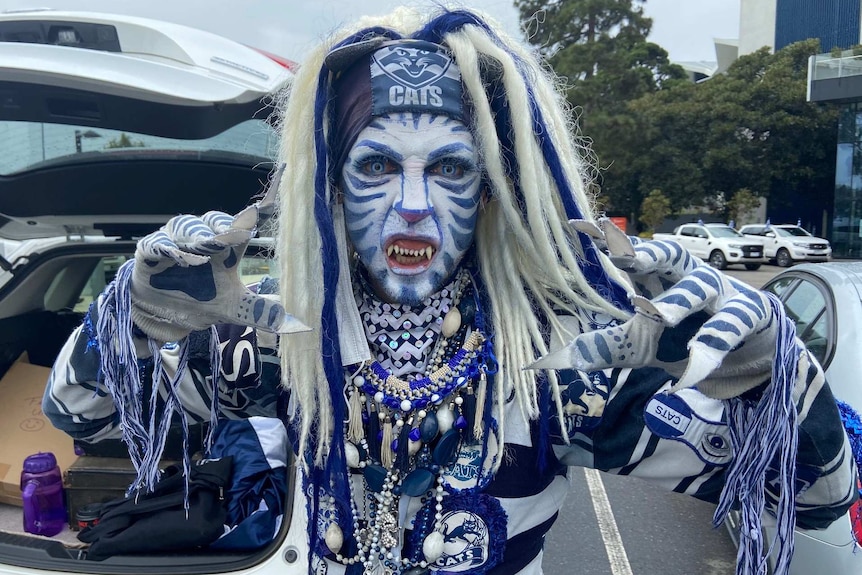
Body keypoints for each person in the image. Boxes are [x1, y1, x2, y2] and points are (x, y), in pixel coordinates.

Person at [44, 5, 857, 575]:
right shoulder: (280, 342)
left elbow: (820, 496)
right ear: (329, 189)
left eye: (450, 169)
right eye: (375, 167)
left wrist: (778, 370)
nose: (412, 205)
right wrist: (133, 313)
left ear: (492, 190)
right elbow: (78, 413)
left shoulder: (558, 365)